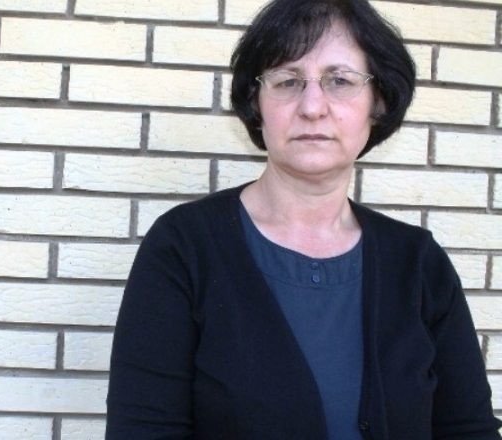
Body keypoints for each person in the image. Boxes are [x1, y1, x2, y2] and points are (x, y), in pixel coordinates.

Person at [105, 0, 502, 438]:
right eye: (288, 81)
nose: (313, 106)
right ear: (256, 102)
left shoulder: (419, 263)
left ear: (378, 103)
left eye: (340, 81)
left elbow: (469, 430)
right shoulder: (184, 248)